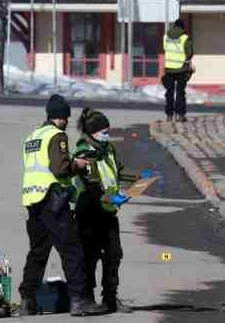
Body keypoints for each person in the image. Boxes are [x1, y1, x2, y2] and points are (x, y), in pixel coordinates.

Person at [19, 94, 107, 317]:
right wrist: (76, 165)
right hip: (53, 200)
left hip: (32, 201)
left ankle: (27, 302)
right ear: (62, 117)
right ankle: (79, 301)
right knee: (72, 249)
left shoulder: (32, 136)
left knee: (38, 253)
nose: (67, 122)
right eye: (66, 117)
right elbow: (60, 169)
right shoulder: (57, 135)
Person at [73, 108, 139, 313]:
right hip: (90, 211)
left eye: (108, 131)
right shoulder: (84, 153)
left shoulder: (108, 149)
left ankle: (110, 297)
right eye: (103, 131)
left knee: (114, 254)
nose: (107, 135)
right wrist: (114, 198)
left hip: (108, 211)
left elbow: (119, 171)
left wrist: (136, 181)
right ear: (92, 132)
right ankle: (88, 298)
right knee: (90, 255)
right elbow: (91, 184)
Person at [163, 18, 194, 123]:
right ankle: (179, 115)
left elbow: (165, 49)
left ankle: (169, 116)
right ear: (182, 27)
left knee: (169, 92)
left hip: (169, 69)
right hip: (181, 69)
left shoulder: (166, 37)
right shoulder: (185, 38)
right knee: (180, 93)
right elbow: (189, 53)